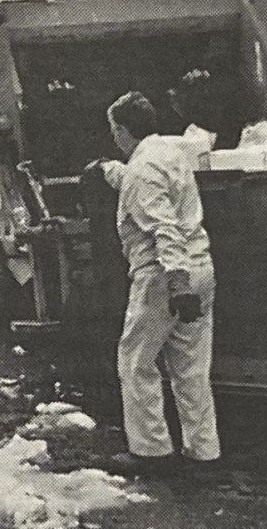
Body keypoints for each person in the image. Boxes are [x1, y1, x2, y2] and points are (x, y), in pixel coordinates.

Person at [90, 92, 219, 476]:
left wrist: (177, 284)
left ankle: (151, 451)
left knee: (136, 362)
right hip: (201, 268)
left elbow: (163, 228)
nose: (113, 136)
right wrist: (107, 169)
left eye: (114, 130)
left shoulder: (142, 169)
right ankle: (204, 450)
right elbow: (143, 183)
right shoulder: (169, 150)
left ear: (125, 130)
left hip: (163, 277)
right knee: (191, 367)